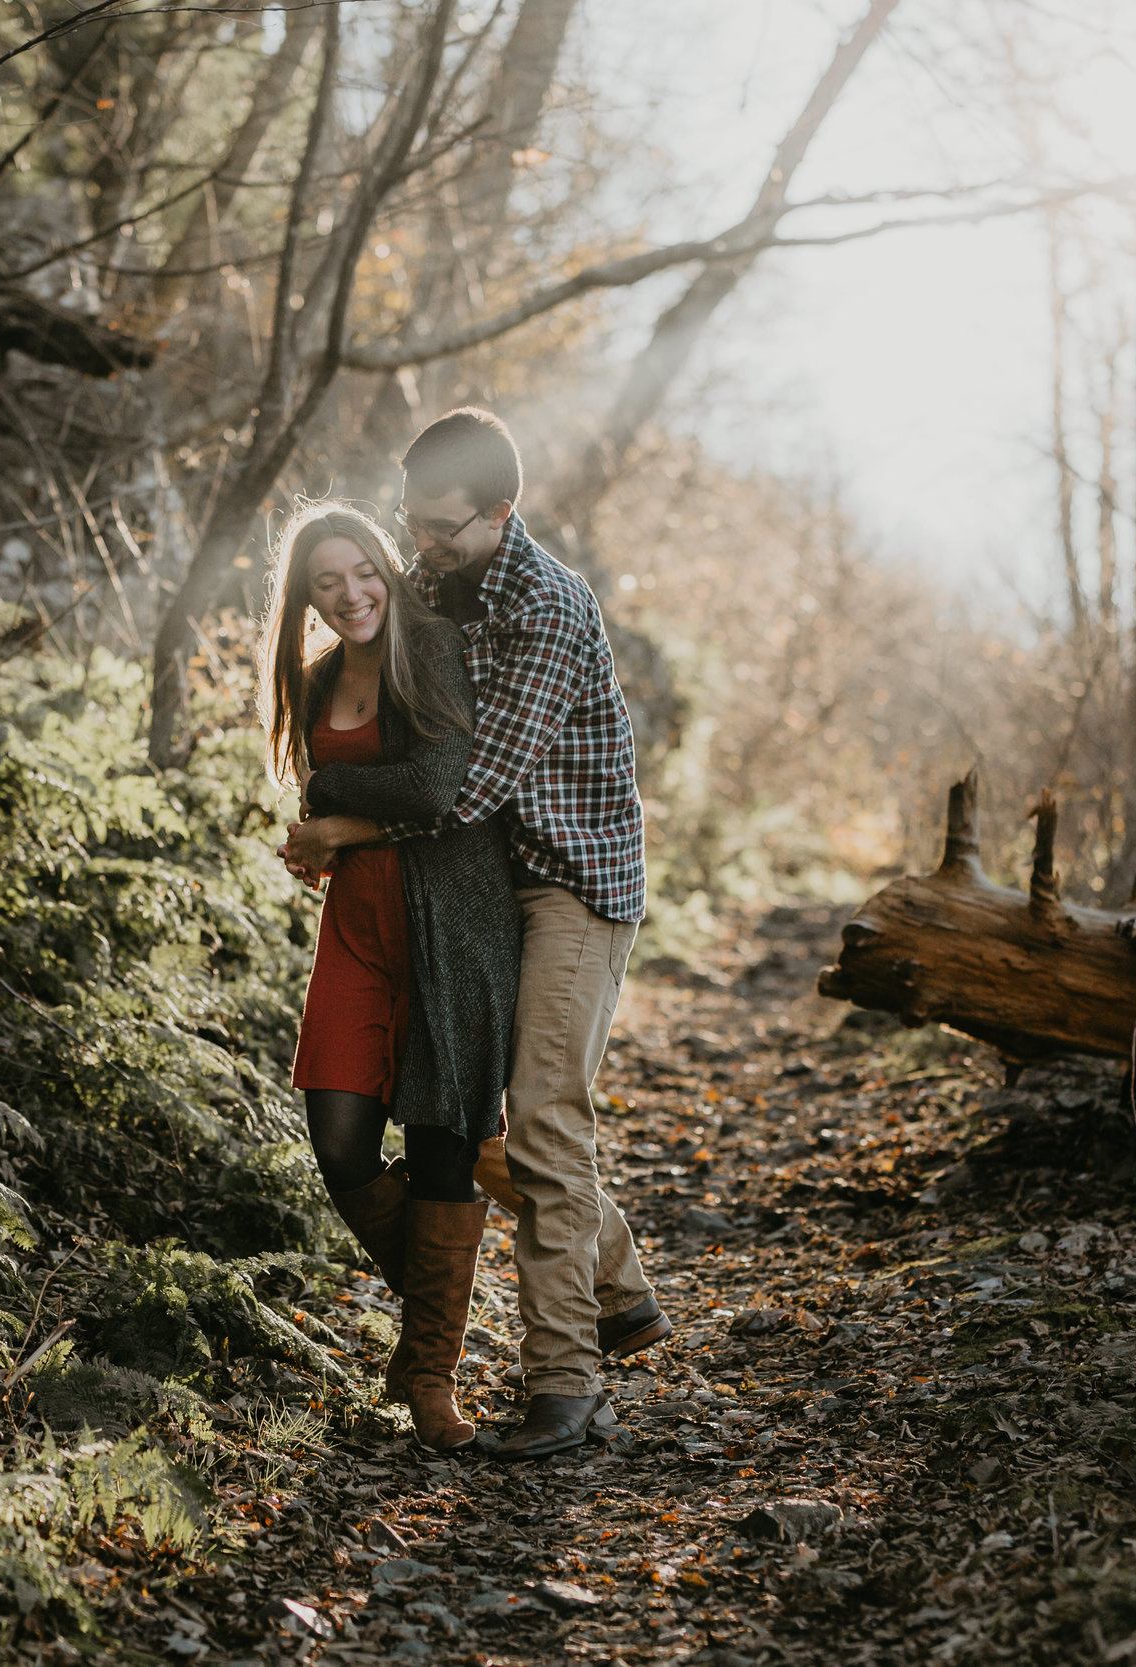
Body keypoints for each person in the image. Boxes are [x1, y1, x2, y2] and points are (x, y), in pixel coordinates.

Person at [284, 410, 668, 1460]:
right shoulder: (431, 580)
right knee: (497, 1123)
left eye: (442, 525)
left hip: (573, 881)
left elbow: (474, 784)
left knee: (539, 1116)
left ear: (501, 513)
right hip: (485, 887)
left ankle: (564, 1381)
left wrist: (340, 818)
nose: (420, 542)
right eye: (411, 519)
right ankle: (619, 1288)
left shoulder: (545, 605)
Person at [261, 502, 521, 1451]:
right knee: (337, 1139)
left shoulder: (434, 649)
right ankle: (434, 1326)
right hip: (359, 929)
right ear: (306, 597)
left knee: (446, 1141)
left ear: (385, 566)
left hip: (454, 923)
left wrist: (334, 802)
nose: (350, 594)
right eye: (325, 582)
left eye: (362, 570)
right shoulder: (319, 677)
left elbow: (438, 786)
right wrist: (323, 835)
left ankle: (431, 1382)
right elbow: (348, 801)